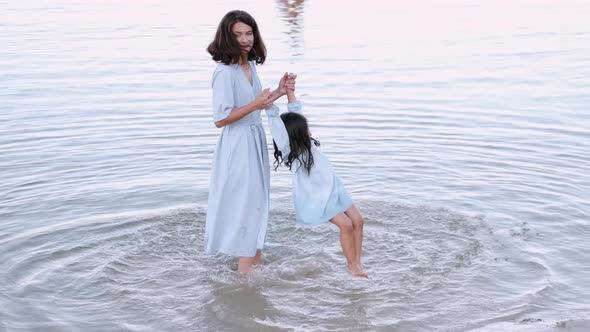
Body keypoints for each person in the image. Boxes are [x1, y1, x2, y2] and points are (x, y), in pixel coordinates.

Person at [205, 10, 295, 273]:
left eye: (249, 33)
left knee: (256, 206)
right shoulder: (224, 72)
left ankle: (251, 275)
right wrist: (256, 103)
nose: (244, 39)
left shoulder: (249, 65)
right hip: (238, 145)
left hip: (254, 141)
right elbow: (221, 118)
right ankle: (245, 281)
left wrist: (279, 91)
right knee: (245, 208)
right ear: (227, 37)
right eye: (238, 35)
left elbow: (255, 106)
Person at [266, 76, 368, 278]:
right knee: (346, 225)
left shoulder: (310, 144)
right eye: (305, 129)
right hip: (316, 196)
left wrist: (288, 89)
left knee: (358, 219)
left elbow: (295, 109)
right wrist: (269, 106)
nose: (309, 131)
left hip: (334, 187)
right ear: (295, 134)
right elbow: (275, 123)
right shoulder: (290, 152)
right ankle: (351, 267)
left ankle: (357, 262)